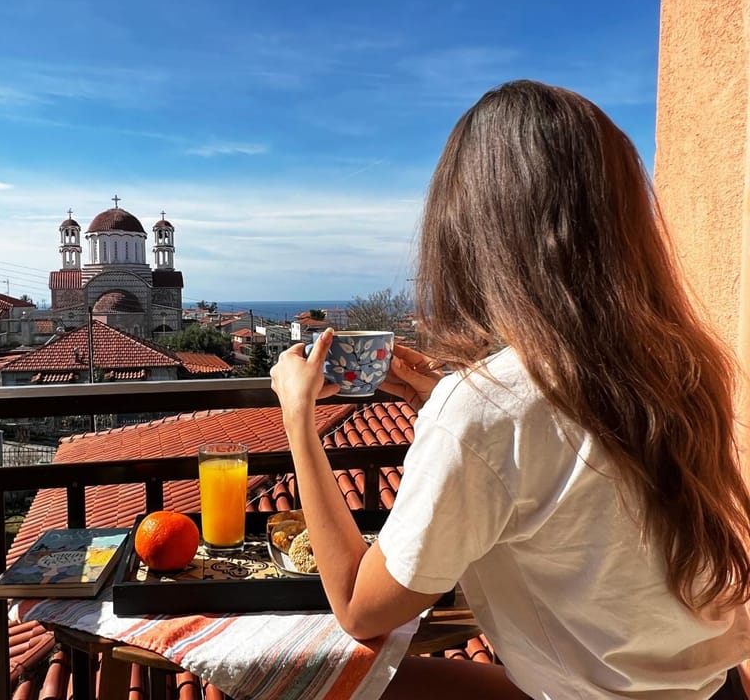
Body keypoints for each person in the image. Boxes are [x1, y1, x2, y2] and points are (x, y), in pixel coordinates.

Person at [270, 80, 750, 699]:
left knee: (323, 684)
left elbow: (361, 610)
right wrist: (439, 411)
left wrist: (297, 418)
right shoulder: (680, 366)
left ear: (473, 229)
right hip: (713, 689)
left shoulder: (486, 408)